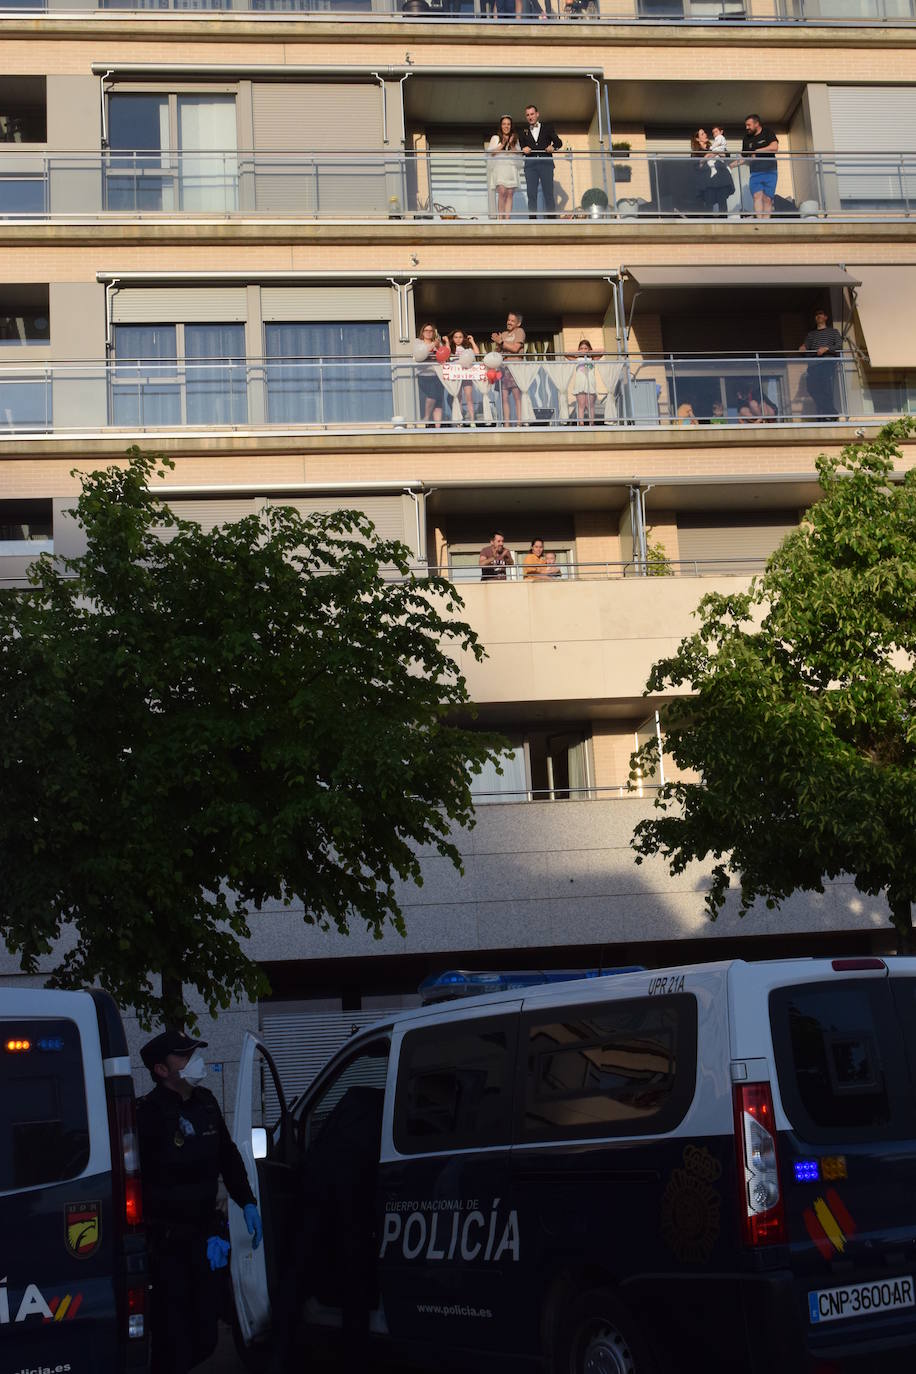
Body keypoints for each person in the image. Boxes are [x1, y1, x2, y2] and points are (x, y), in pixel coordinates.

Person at [137, 1029, 262, 1374]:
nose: (196, 1060)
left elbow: (227, 1154)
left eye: (195, 1052)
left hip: (206, 1238)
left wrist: (247, 1202)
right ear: (162, 1070)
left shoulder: (206, 1102)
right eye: (185, 1056)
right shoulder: (147, 1114)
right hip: (169, 1245)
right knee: (173, 1336)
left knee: (207, 1334)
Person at [518, 105, 563, 219]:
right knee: (531, 194)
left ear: (537, 114)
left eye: (532, 114)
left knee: (548, 193)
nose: (530, 117)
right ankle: (533, 222)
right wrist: (523, 150)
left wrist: (553, 147)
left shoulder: (547, 127)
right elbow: (522, 148)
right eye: (527, 115)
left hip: (546, 164)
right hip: (531, 165)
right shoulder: (523, 131)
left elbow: (559, 143)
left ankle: (551, 221)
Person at [798, 307, 843, 420]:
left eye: (821, 314)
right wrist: (802, 347)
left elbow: (839, 345)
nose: (818, 316)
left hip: (827, 363)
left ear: (826, 317)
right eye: (817, 314)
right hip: (814, 365)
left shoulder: (833, 332)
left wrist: (826, 349)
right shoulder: (811, 334)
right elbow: (805, 347)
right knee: (812, 388)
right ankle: (831, 413)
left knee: (826, 389)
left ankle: (825, 416)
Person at [739, 114, 779, 219]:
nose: (747, 127)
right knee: (757, 196)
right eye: (746, 125)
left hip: (770, 170)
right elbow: (744, 157)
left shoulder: (767, 132)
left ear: (757, 124)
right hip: (755, 172)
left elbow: (775, 147)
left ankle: (766, 223)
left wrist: (757, 151)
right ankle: (759, 221)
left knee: (767, 199)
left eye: (749, 125)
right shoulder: (746, 138)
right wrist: (733, 164)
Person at [491, 310, 526, 425]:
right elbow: (498, 351)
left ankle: (519, 422)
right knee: (504, 397)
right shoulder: (504, 334)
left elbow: (516, 349)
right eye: (508, 320)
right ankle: (506, 423)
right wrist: (497, 345)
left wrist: (501, 342)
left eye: (512, 320)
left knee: (517, 396)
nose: (509, 322)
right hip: (504, 368)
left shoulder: (520, 332)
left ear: (518, 323)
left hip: (515, 368)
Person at [487, 116, 522, 220]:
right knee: (502, 191)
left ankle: (507, 218)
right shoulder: (495, 138)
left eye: (508, 124)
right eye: (504, 124)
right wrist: (503, 143)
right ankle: (500, 218)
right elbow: (490, 153)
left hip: (511, 168)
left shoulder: (515, 138)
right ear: (501, 126)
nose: (506, 126)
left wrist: (511, 144)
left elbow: (519, 155)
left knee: (510, 193)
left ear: (511, 126)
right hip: (500, 168)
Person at [414, 322, 446, 428]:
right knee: (432, 396)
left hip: (438, 375)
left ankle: (438, 427)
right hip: (424, 375)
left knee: (438, 401)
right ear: (422, 332)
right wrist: (434, 344)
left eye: (431, 331)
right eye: (426, 330)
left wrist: (441, 345)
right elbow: (420, 354)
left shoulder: (438, 343)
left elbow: (445, 355)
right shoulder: (418, 342)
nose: (428, 333)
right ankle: (426, 418)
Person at [566, 339, 604, 424]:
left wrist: (589, 352)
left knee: (590, 405)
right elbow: (566, 353)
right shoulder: (577, 360)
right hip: (580, 384)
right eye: (581, 348)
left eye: (585, 348)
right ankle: (581, 423)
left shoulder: (593, 359)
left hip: (590, 383)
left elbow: (603, 350)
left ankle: (592, 423)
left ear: (589, 349)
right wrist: (579, 353)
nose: (583, 350)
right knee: (581, 405)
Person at [447, 327, 479, 424]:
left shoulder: (467, 349)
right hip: (456, 375)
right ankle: (459, 421)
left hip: (466, 374)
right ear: (453, 338)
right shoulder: (452, 349)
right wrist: (447, 342)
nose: (458, 339)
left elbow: (477, 353)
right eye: (456, 337)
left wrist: (472, 341)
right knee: (458, 397)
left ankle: (472, 420)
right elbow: (447, 354)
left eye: (460, 337)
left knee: (469, 397)